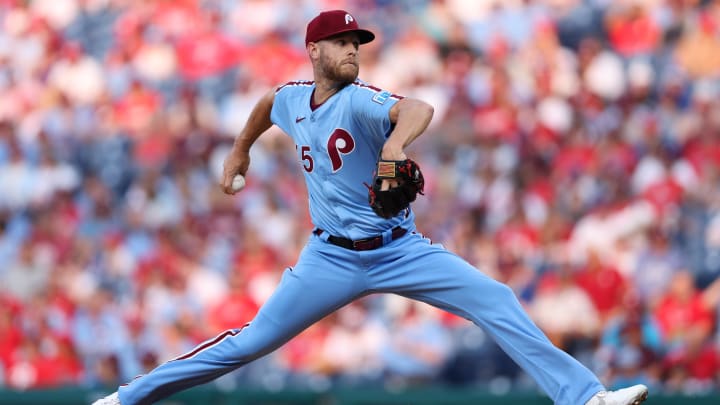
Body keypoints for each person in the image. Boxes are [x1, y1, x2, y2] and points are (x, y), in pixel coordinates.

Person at [92, 10, 649, 405]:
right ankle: (126, 399)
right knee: (247, 344)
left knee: (494, 298)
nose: (352, 50)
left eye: (356, 42)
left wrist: (393, 144)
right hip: (328, 260)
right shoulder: (292, 98)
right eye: (340, 43)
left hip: (398, 249)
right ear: (315, 51)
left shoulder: (359, 101)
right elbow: (267, 104)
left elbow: (418, 107)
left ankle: (583, 397)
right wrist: (240, 152)